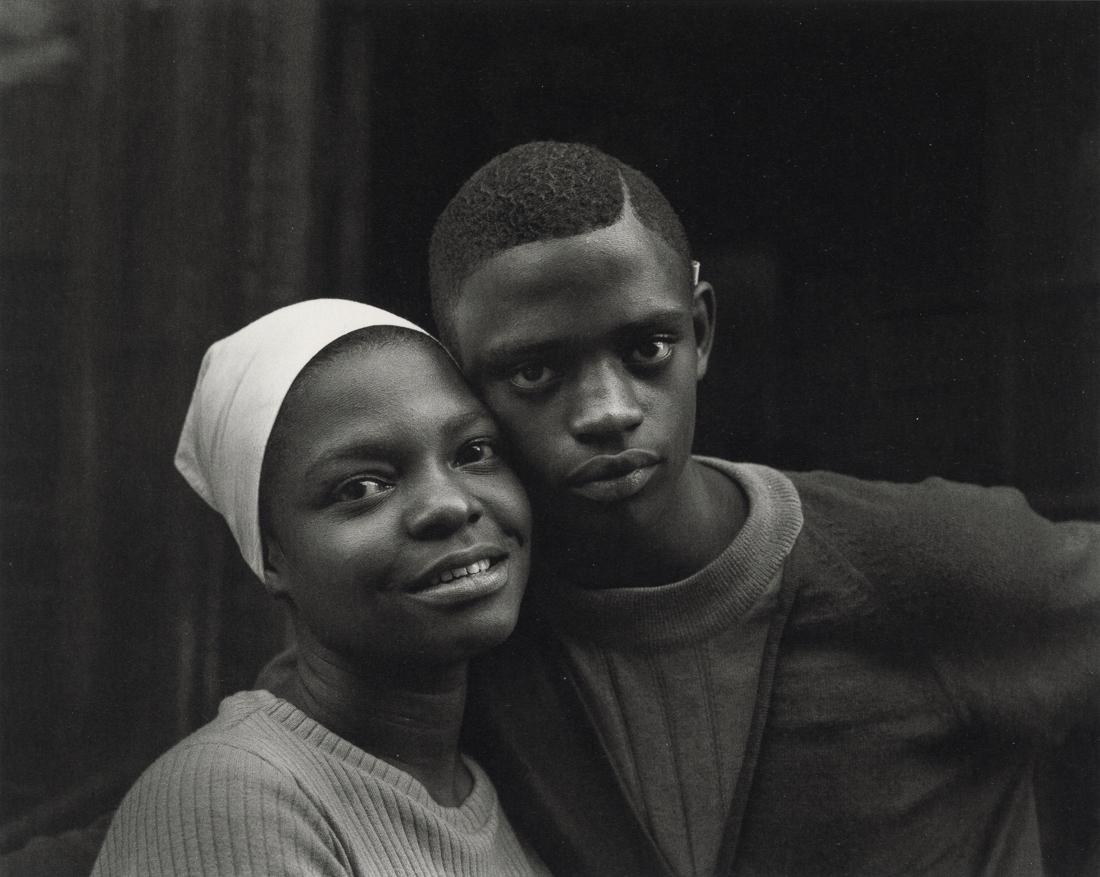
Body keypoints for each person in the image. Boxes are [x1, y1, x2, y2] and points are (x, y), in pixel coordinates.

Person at [424, 141, 1100, 876]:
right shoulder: (461, 635)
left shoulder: (930, 562)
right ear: (459, 389)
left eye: (648, 348)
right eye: (534, 372)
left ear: (700, 331)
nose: (608, 410)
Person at [92, 299, 548, 876]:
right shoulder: (236, 795)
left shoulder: (501, 790)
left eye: (473, 453)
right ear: (271, 556)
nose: (450, 505)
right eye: (361, 488)